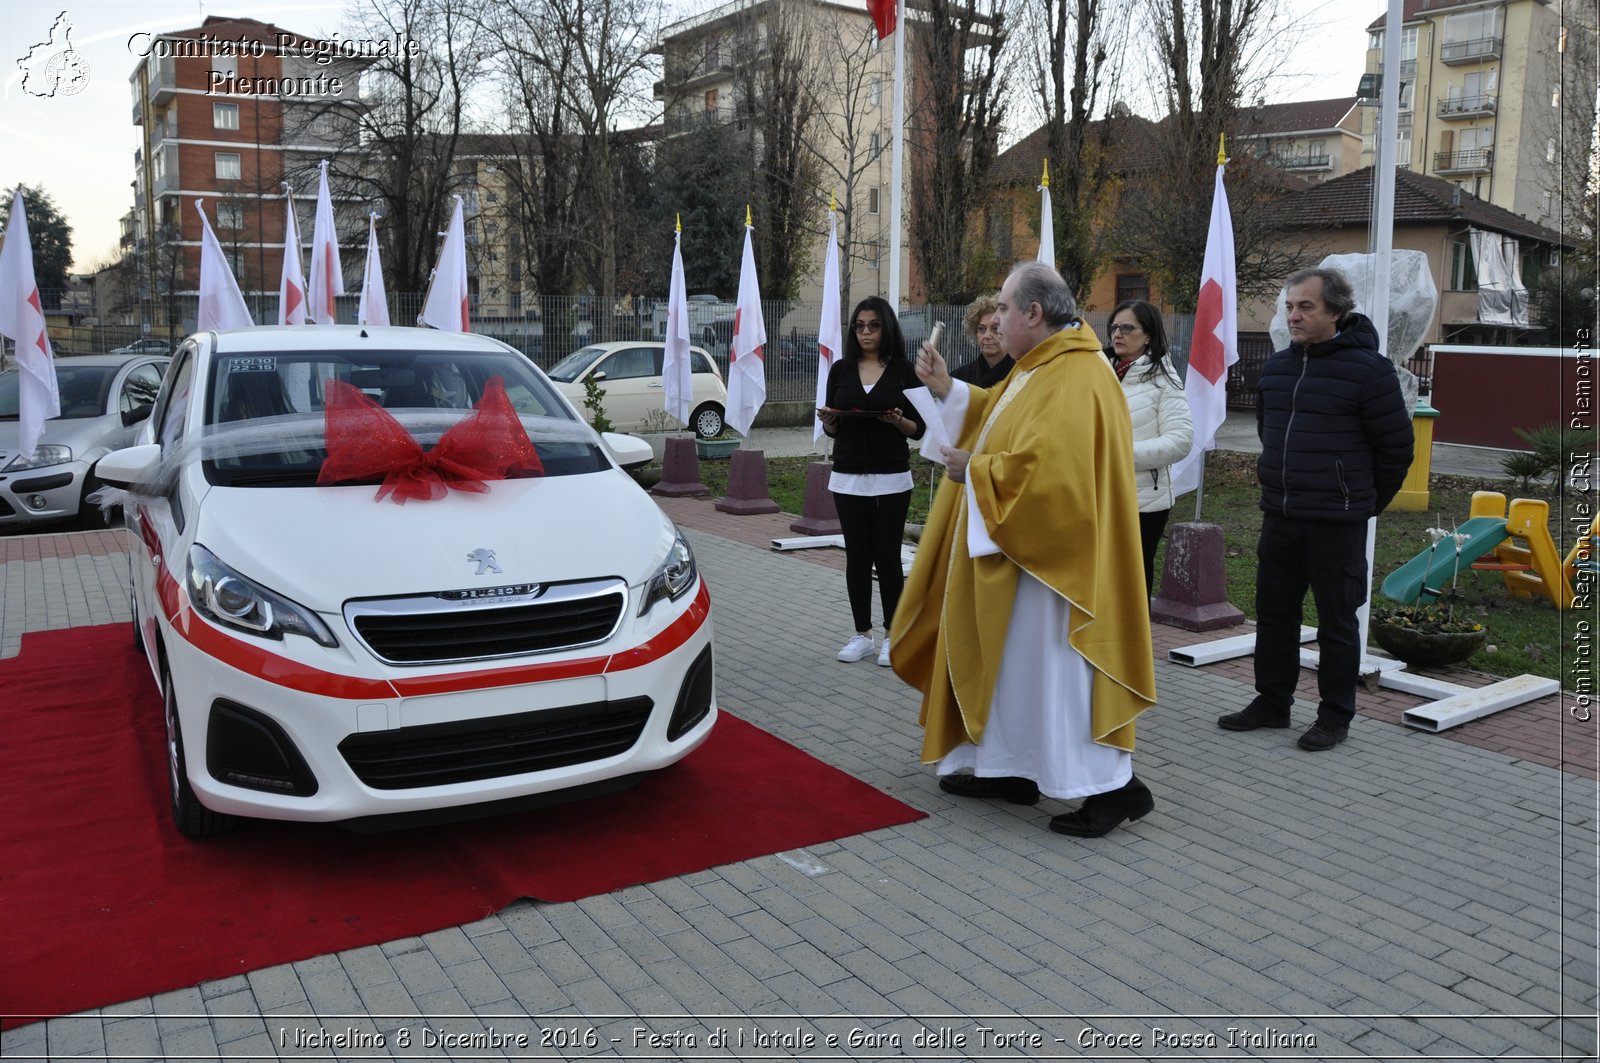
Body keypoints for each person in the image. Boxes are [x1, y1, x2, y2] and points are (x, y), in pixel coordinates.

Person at [890, 262, 1157, 837]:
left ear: (1034, 314)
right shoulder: (1040, 367)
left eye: (1004, 311)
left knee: (1058, 679)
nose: (996, 321)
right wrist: (948, 391)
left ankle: (1113, 790)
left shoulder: (1078, 374)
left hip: (1059, 572)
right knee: (1015, 672)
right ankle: (1007, 770)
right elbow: (999, 418)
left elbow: (1056, 474)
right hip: (1023, 559)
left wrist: (977, 470)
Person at [1217, 266, 1413, 752]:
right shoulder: (1278, 368)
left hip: (1336, 523)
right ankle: (1272, 702)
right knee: (1275, 615)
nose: (1294, 315)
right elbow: (1270, 435)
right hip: (1281, 516)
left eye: (1305, 306)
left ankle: (1334, 715)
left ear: (1335, 312)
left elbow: (1396, 451)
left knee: (1337, 623)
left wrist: (1360, 503)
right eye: (1289, 306)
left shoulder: (1370, 370)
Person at [818, 296, 927, 667]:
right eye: (859, 326)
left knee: (888, 559)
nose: (865, 332)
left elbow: (918, 429)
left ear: (886, 328)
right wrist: (829, 420)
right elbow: (832, 429)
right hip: (847, 477)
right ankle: (861, 634)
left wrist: (898, 421)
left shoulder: (902, 371)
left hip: (892, 477)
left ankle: (892, 636)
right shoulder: (841, 370)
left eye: (873, 325)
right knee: (857, 558)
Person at [1106, 299, 1193, 593]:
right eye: (1114, 327)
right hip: (1098, 496)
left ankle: (1135, 641)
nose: (1118, 333)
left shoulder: (1164, 380)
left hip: (1143, 502)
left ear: (1148, 335)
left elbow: (1180, 441)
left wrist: (1119, 456)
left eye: (1127, 327)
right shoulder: (1100, 374)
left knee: (1131, 587)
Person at [951, 294, 1013, 388]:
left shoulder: (1022, 375)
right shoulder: (958, 379)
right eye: (981, 329)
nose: (987, 336)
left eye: (995, 328)